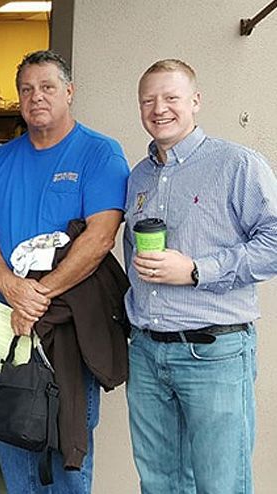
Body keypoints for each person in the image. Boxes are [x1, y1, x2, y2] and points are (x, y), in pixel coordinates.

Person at [0, 50, 129, 493]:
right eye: (26, 89)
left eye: (47, 87)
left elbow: (99, 238)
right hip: (7, 318)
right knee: (10, 429)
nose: (35, 96)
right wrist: (8, 285)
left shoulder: (99, 153)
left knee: (69, 440)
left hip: (67, 322)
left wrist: (39, 295)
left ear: (69, 92)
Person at [124, 59, 277, 493]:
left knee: (220, 484)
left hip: (215, 354)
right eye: (148, 100)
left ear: (195, 101)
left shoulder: (236, 164)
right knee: (160, 483)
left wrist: (196, 270)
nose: (159, 109)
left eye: (171, 97)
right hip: (149, 354)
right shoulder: (139, 175)